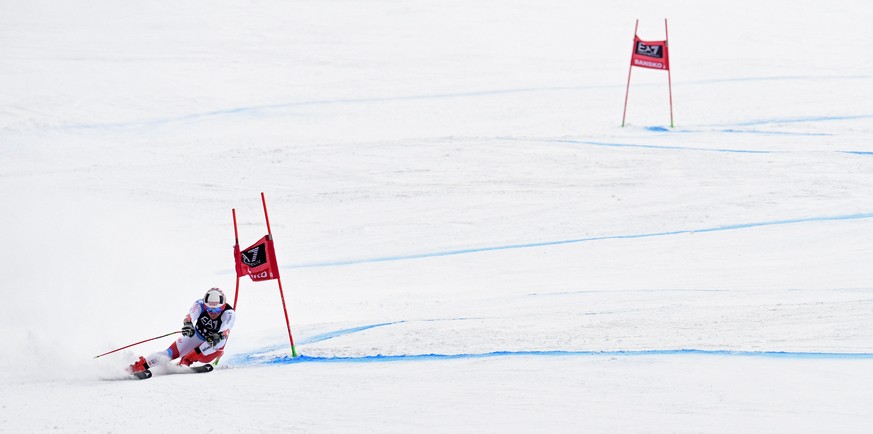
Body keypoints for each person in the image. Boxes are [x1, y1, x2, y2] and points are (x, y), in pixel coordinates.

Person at [128, 287, 235, 373]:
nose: (212, 312)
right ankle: (139, 366)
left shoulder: (229, 313)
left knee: (217, 340)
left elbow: (225, 329)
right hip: (197, 336)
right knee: (168, 353)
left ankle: (187, 361)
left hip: (210, 350)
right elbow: (190, 316)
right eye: (209, 309)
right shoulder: (200, 304)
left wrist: (220, 334)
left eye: (216, 309)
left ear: (222, 306)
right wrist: (188, 324)